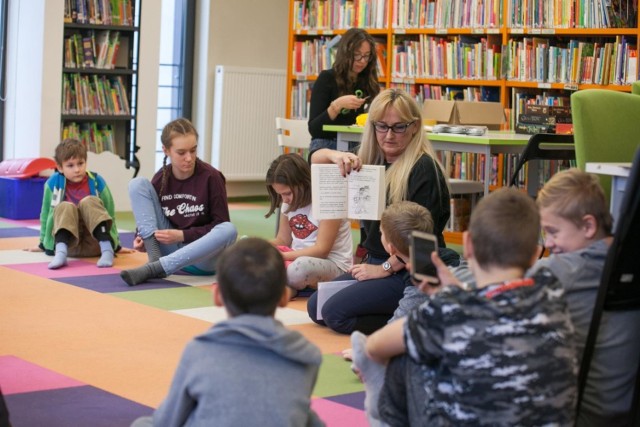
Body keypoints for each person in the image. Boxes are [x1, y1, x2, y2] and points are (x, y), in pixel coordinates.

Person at [353, 188, 577, 426]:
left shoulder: (450, 309)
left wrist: (446, 300)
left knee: (406, 353)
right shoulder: (552, 291)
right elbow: (499, 307)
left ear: (467, 244)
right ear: (536, 254)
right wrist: (457, 292)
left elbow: (374, 347)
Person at [130, 238, 325, 427]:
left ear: (217, 296)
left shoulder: (200, 351)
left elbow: (168, 420)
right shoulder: (307, 356)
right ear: (284, 297)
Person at [307, 88, 453, 335]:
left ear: (415, 126)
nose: (389, 135)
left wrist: (383, 269)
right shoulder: (369, 160)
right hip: (375, 261)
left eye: (399, 127)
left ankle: (409, 322)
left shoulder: (423, 169)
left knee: (333, 313)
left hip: (408, 269)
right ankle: (402, 312)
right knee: (316, 308)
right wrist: (336, 154)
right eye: (381, 126)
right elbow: (315, 158)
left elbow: (421, 242)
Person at [531, 168, 640, 426]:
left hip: (581, 416)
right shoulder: (630, 264)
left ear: (588, 225)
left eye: (553, 232)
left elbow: (496, 288)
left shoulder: (561, 271)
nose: (549, 243)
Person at [120, 118, 237, 286]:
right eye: (181, 153)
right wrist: (141, 237)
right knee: (137, 184)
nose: (189, 158)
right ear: (166, 150)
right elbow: (150, 215)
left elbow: (220, 224)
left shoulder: (212, 177)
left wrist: (182, 235)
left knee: (229, 229)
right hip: (170, 250)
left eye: (193, 150)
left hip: (204, 259)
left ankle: (156, 268)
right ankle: (154, 258)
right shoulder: (161, 178)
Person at [26, 138, 121, 269]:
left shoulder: (97, 181)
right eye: (70, 165)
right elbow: (46, 213)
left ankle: (107, 249)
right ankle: (60, 254)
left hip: (95, 244)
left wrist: (116, 243)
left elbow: (109, 213)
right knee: (64, 206)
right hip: (69, 245)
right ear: (60, 167)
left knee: (89, 201)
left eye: (80, 163)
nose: (77, 170)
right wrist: (43, 243)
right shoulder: (53, 183)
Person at [265, 153, 352, 296]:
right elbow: (283, 240)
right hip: (294, 259)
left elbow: (321, 250)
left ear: (304, 183)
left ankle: (281, 286)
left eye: (287, 193)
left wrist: (283, 257)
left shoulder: (328, 201)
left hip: (332, 266)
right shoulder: (288, 204)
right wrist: (258, 246)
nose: (284, 200)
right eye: (280, 194)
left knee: (299, 269)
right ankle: (287, 288)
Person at [308, 27, 380, 152]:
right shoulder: (327, 78)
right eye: (357, 55)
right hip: (327, 144)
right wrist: (337, 106)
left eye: (366, 56)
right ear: (346, 53)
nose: (362, 61)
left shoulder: (368, 81)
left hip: (358, 143)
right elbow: (314, 129)